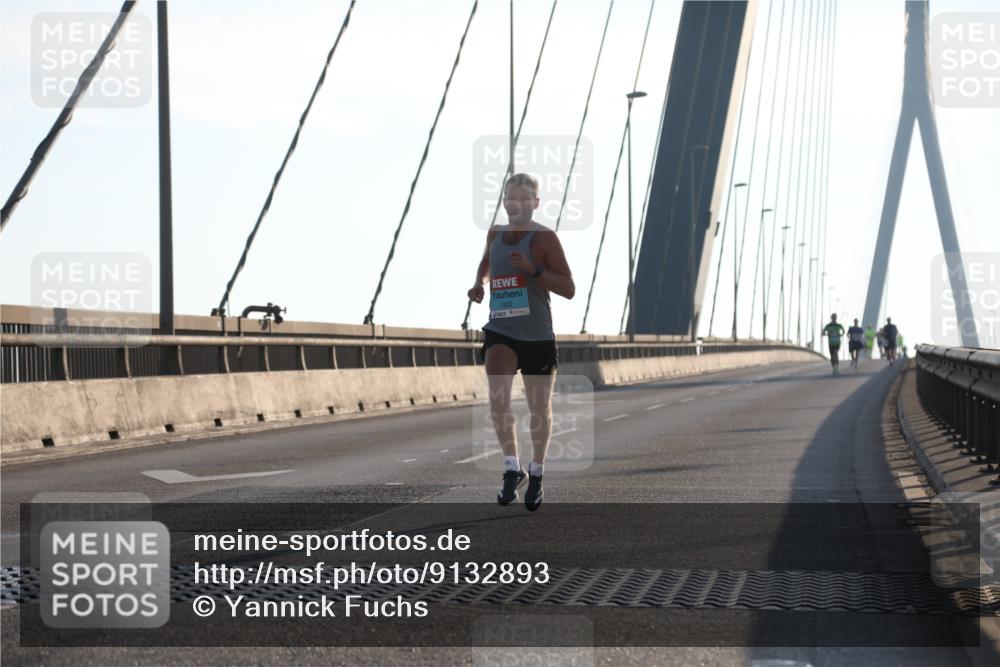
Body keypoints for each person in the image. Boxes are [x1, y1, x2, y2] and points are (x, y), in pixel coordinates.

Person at [467, 173, 575, 511]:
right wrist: (478, 284)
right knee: (498, 397)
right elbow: (487, 261)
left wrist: (533, 270)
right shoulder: (495, 233)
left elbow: (569, 288)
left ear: (536, 203)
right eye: (510, 199)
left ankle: (537, 473)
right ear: (504, 202)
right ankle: (511, 469)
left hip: (537, 336)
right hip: (501, 329)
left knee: (538, 410)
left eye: (523, 199)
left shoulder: (544, 239)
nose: (516, 204)